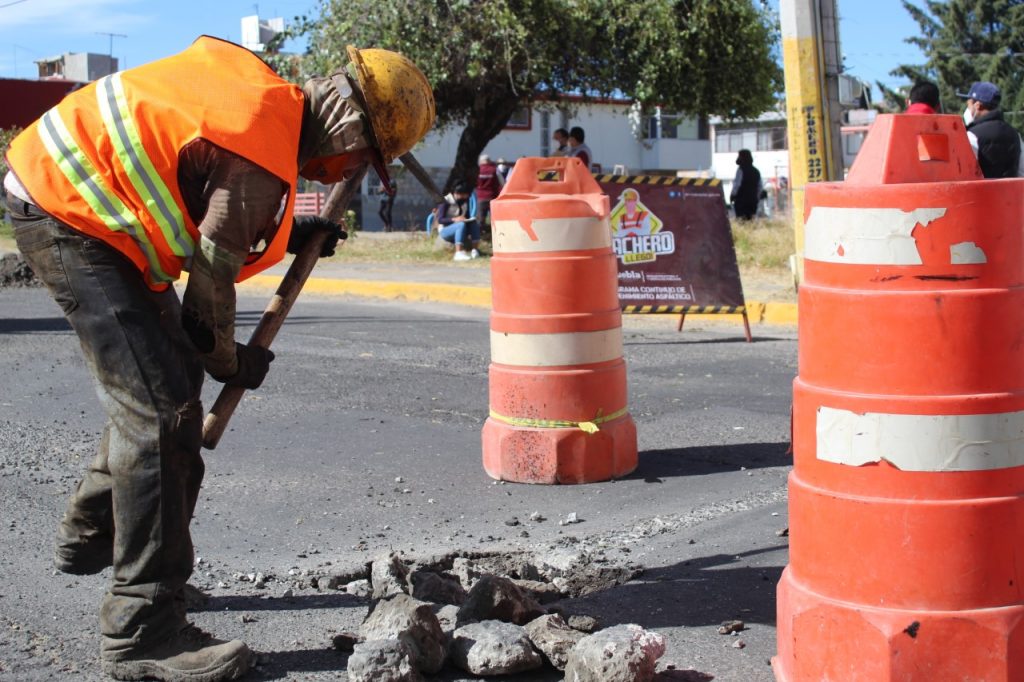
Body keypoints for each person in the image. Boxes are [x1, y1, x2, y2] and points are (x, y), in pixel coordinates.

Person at [2, 37, 434, 682]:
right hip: (71, 211)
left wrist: (295, 234)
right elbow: (207, 303)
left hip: (90, 206)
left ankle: (102, 533)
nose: (347, 173)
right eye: (362, 159)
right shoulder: (260, 151)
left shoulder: (267, 109)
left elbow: (214, 193)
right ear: (347, 125)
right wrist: (233, 365)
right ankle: (143, 632)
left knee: (156, 389)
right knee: (161, 413)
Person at [958, 81, 1024, 178]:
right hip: (1012, 193)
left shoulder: (972, 136)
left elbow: (965, 176)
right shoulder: (1015, 135)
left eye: (968, 105)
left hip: (982, 193)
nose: (967, 109)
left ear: (977, 106)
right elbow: (1022, 172)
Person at [437, 181, 479, 260]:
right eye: (463, 195)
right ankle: (458, 252)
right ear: (457, 193)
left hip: (462, 229)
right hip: (446, 230)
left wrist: (469, 219)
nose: (465, 197)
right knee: (460, 224)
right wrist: (454, 219)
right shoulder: (446, 201)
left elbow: (467, 216)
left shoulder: (465, 201)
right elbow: (440, 220)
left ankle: (475, 250)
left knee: (473, 223)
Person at [730, 149, 764, 220]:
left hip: (741, 201)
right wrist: (756, 198)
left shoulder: (740, 170)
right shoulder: (756, 171)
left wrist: (732, 195)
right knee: (750, 220)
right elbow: (760, 187)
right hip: (752, 201)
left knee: (741, 220)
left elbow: (737, 184)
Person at [474, 153, 503, 231]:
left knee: (481, 218)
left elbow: (473, 182)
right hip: (492, 196)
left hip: (481, 197)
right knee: (494, 218)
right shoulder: (494, 169)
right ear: (489, 161)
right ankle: (495, 233)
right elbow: (502, 182)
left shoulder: (477, 170)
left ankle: (480, 235)